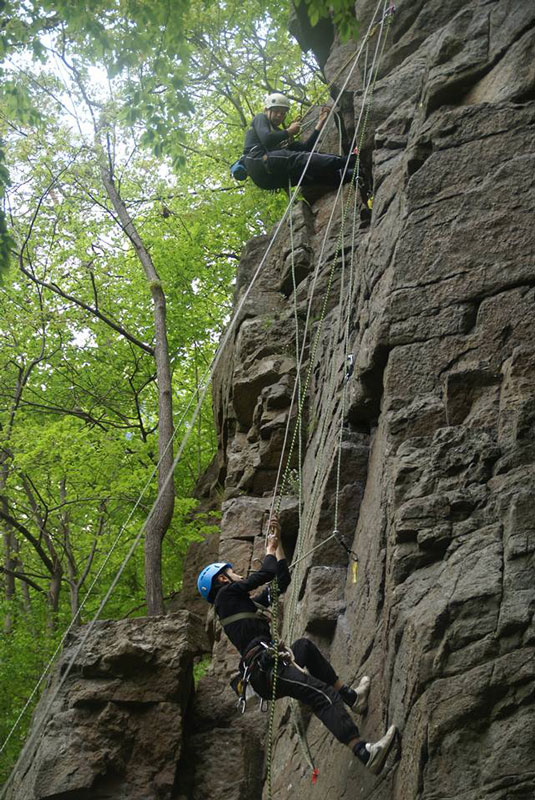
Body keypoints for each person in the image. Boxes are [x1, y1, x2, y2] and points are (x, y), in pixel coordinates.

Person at [197, 514, 398, 775]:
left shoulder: (240, 603)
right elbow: (266, 572)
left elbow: (280, 582)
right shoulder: (226, 595)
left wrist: (277, 544)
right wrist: (268, 549)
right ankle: (363, 752)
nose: (236, 574)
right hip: (266, 669)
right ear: (222, 580)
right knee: (320, 694)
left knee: (304, 648)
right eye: (231, 572)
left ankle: (352, 697)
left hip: (267, 668)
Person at [242, 92, 356, 191]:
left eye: (282, 113)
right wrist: (289, 131)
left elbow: (306, 149)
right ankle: (350, 160)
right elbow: (267, 139)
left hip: (268, 179)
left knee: (310, 174)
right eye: (276, 111)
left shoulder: (279, 135)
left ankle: (351, 174)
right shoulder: (260, 119)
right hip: (259, 161)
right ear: (267, 110)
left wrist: (320, 123)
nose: (279, 115)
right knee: (299, 159)